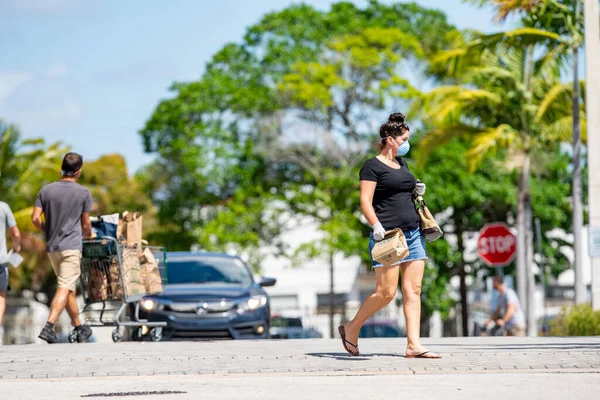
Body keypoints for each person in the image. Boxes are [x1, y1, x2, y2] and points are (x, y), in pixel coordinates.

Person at [338, 112, 441, 359]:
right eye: (404, 138)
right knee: (385, 293)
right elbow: (365, 200)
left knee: (413, 289)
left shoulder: (402, 164)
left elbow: (401, 191)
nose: (407, 142)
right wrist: (375, 225)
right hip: (388, 236)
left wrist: (416, 190)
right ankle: (352, 327)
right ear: (391, 139)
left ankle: (413, 345)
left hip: (414, 233)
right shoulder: (371, 166)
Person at [31, 152, 94, 343]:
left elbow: (35, 218)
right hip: (71, 247)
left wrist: (47, 231)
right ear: (79, 171)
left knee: (68, 290)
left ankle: (80, 327)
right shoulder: (83, 192)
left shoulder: (46, 190)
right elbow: (85, 223)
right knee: (65, 287)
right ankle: (49, 327)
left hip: (53, 247)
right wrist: (89, 234)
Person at [0, 201, 21, 345]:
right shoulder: (3, 207)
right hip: (0, 261)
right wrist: (16, 247)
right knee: (0, 296)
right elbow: (16, 233)